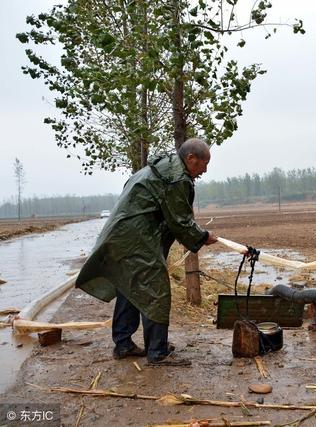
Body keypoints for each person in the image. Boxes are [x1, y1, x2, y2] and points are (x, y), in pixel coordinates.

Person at [76, 138, 218, 366]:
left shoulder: (159, 170)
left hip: (121, 235)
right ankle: (158, 352)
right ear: (191, 159)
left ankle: (123, 344)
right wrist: (202, 237)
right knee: (155, 290)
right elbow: (180, 221)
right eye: (204, 163)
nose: (205, 170)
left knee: (130, 286)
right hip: (135, 240)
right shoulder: (176, 178)